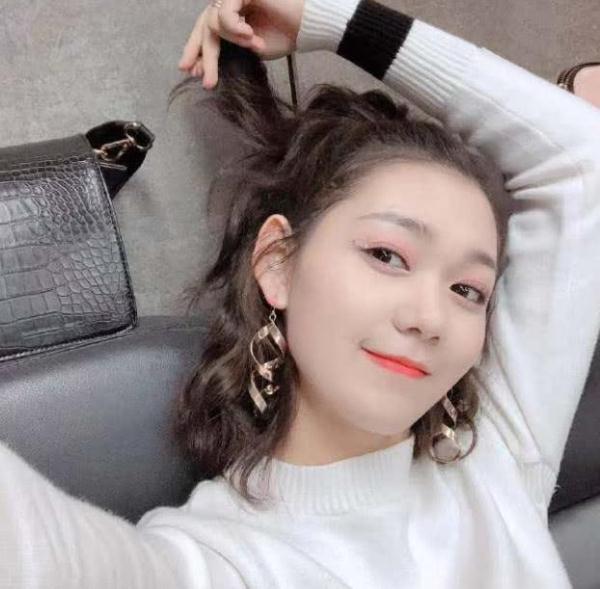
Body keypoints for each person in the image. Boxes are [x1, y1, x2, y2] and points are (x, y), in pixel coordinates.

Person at [1, 0, 599, 587]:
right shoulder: (212, 563)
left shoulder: (497, 458)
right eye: (386, 255)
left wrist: (336, 19)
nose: (429, 317)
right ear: (277, 263)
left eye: (468, 289)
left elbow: (583, 160)